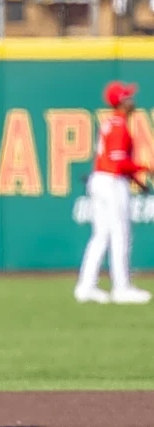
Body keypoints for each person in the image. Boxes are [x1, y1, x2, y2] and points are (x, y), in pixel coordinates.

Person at [74, 81, 152, 305]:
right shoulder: (118, 126)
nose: (133, 100)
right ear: (122, 102)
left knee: (101, 236)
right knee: (121, 234)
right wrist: (144, 168)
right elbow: (119, 163)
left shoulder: (110, 124)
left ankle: (86, 286)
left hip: (100, 180)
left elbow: (113, 161)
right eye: (128, 97)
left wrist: (138, 180)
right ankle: (122, 288)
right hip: (111, 183)